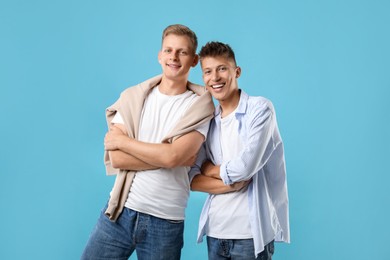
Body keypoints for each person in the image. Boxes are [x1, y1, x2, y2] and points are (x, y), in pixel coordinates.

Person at [81, 24, 215, 260]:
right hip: (119, 212)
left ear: (194, 60)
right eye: (168, 50)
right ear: (159, 55)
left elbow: (172, 157)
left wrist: (125, 142)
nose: (173, 57)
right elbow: (118, 157)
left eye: (182, 52)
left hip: (165, 221)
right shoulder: (134, 97)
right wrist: (171, 156)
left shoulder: (200, 106)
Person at [190, 42, 290, 260]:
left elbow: (245, 168)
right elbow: (192, 179)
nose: (215, 77)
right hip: (215, 232)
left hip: (250, 235)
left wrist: (210, 168)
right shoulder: (208, 120)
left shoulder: (260, 109)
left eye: (222, 69)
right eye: (208, 71)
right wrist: (229, 185)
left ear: (237, 72)